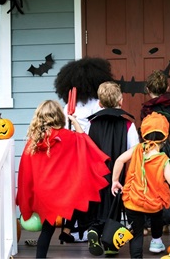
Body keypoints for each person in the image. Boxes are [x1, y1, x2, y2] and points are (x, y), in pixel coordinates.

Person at [16, 100, 111, 258]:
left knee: (48, 229)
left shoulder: (33, 142)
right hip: (61, 191)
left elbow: (25, 172)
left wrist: (27, 197)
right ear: (59, 116)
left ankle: (43, 254)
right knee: (78, 203)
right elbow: (84, 141)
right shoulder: (68, 136)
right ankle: (83, 229)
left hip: (43, 193)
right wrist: (74, 121)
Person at [111, 112, 170, 258]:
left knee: (137, 234)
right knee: (157, 217)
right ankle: (156, 240)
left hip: (133, 201)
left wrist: (115, 181)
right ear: (165, 137)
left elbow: (119, 160)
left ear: (144, 133)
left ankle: (136, 257)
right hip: (153, 203)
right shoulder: (163, 159)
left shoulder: (137, 149)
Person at [53, 56, 113, 241]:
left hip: (73, 154)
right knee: (91, 192)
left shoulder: (68, 107)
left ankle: (73, 229)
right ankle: (86, 228)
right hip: (93, 152)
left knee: (75, 192)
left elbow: (62, 130)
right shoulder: (97, 104)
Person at [85, 81, 139, 256]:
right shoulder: (128, 125)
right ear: (121, 101)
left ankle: (94, 229)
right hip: (119, 173)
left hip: (96, 173)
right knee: (114, 204)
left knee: (97, 205)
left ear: (99, 103)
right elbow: (135, 149)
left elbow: (86, 147)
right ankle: (110, 244)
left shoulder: (91, 124)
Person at [141, 69, 170, 234]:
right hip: (164, 146)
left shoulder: (146, 108)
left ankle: (147, 223)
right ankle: (166, 222)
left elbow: (144, 128)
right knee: (167, 182)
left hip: (149, 148)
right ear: (166, 87)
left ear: (147, 89)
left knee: (149, 183)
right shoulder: (169, 105)